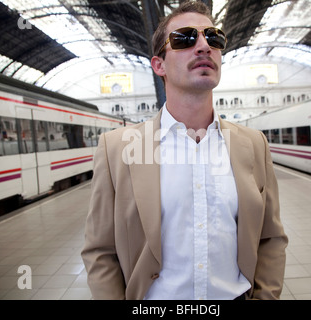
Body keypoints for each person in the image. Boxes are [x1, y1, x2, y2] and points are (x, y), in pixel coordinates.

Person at [81, 0, 288, 300]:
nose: (203, 46)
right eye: (185, 39)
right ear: (159, 65)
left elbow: (271, 238)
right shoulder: (117, 149)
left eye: (213, 38)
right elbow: (100, 250)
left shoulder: (254, 144)